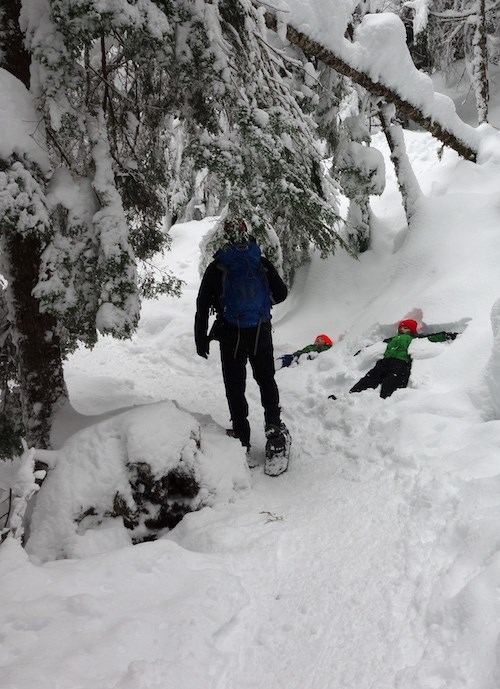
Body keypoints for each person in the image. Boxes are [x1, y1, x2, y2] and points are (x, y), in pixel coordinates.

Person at [195, 218, 289, 451]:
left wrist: (201, 338)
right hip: (260, 330)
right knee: (266, 378)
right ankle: (273, 428)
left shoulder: (217, 266)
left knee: (235, 385)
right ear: (246, 235)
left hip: (230, 334)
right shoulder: (261, 262)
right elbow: (282, 293)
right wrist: (264, 306)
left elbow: (203, 304)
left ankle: (241, 435)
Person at [329, 318, 458, 400]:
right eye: (401, 327)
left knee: (392, 382)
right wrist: (364, 350)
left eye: (406, 328)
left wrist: (447, 336)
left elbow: (432, 338)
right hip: (385, 362)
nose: (402, 329)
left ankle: (385, 403)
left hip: (401, 363)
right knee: (370, 377)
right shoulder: (391, 339)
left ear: (411, 330)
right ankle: (350, 396)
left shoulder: (414, 338)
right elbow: (377, 346)